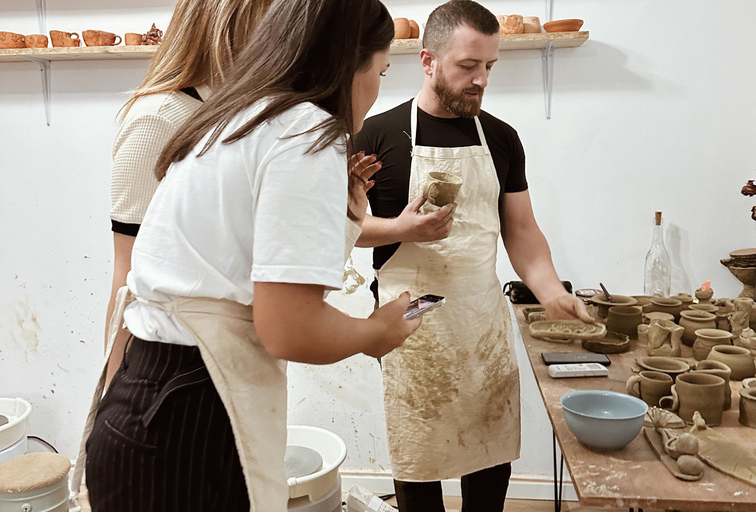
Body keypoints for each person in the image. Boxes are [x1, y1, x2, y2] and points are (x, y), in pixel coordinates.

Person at [82, 1, 417, 511]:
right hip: (189, 412)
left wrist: (342, 211)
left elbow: (248, 262)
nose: (377, 90)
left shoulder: (235, 117)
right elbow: (288, 327)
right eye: (382, 70)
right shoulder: (306, 130)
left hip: (144, 396)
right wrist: (377, 332)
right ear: (348, 61)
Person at [355, 1, 592, 511]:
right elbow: (343, 229)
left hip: (480, 319)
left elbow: (522, 231)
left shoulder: (503, 139)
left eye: (489, 67)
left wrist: (551, 292)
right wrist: (401, 228)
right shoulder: (376, 136)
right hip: (409, 320)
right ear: (428, 61)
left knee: (489, 460)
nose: (481, 79)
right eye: (467, 66)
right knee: (419, 462)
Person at [105, 0, 275, 386]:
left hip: (238, 346)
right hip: (170, 360)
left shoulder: (238, 115)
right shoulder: (159, 117)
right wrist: (113, 391)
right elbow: (127, 271)